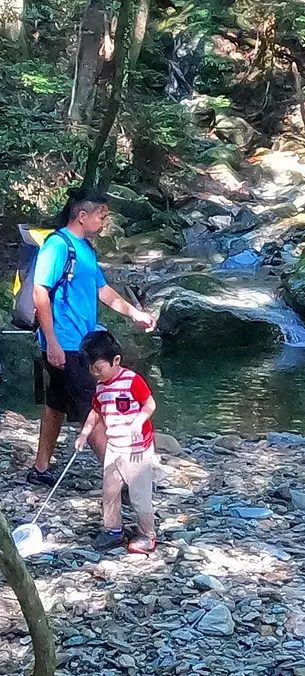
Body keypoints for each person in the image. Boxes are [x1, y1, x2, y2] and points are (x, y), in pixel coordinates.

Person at [27, 188, 156, 487]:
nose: (104, 221)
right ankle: (121, 481)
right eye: (101, 215)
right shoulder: (57, 246)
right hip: (65, 343)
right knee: (93, 411)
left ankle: (40, 469)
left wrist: (134, 313)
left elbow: (103, 291)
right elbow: (39, 292)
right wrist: (52, 342)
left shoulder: (86, 249)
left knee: (56, 404)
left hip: (83, 343)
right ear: (82, 216)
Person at [77, 331, 158, 553]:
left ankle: (147, 535)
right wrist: (84, 433)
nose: (95, 374)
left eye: (99, 368)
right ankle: (112, 529)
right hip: (114, 446)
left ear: (116, 361)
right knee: (110, 491)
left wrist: (138, 422)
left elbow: (149, 404)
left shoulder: (132, 381)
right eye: (92, 369)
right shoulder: (101, 387)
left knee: (140, 496)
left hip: (137, 449)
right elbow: (96, 411)